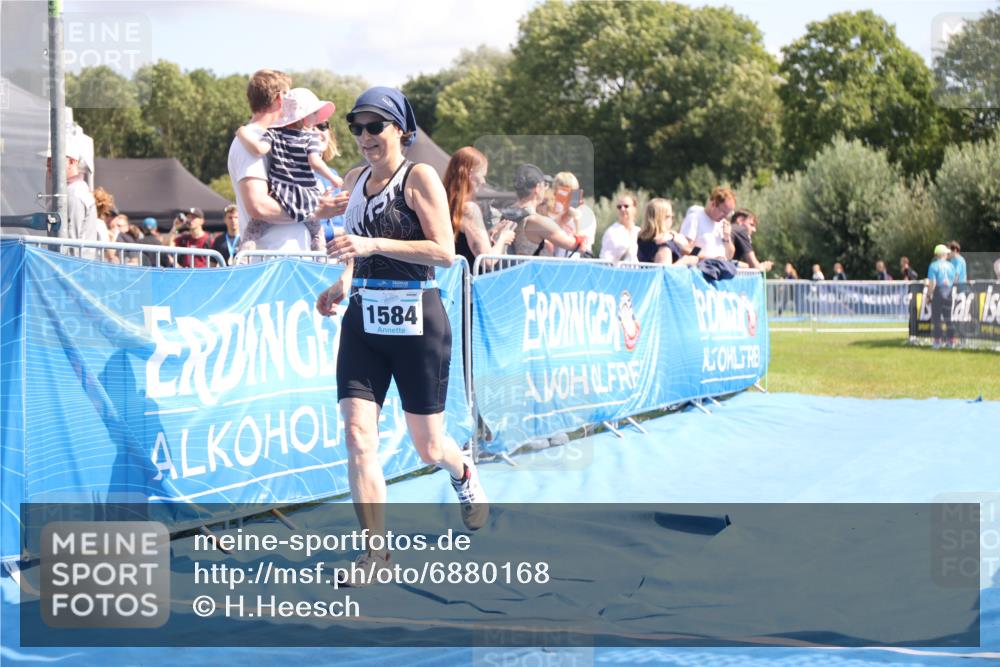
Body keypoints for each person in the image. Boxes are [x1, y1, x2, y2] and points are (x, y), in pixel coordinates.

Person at [314, 87, 487, 584]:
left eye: (376, 126)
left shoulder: (420, 177)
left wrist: (371, 240)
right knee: (356, 435)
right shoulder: (353, 179)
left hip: (418, 319)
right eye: (357, 127)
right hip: (364, 319)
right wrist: (342, 282)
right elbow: (354, 248)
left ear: (401, 131)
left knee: (428, 447)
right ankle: (376, 554)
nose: (365, 137)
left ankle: (463, 472)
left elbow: (443, 252)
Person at [227, 69, 338, 259]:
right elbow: (258, 206)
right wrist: (317, 210)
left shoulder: (272, 136)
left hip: (287, 263)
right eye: (289, 95)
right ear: (280, 98)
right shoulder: (254, 137)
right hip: (273, 264)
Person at [443, 146, 516, 270]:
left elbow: (462, 243)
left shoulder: (444, 203)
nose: (483, 181)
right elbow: (487, 261)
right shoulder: (469, 209)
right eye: (482, 175)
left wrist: (488, 234)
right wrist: (503, 237)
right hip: (467, 283)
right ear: (470, 174)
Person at [504, 164, 590, 257]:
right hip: (537, 270)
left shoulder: (507, 214)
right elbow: (579, 247)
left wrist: (560, 220)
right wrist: (577, 221)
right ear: (537, 188)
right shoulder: (537, 221)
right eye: (544, 185)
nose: (546, 189)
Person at [55, 138, 101, 259]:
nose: (48, 163)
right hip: (75, 266)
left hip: (74, 268)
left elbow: (73, 238)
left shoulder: (75, 193)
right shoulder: (73, 190)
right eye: (48, 159)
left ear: (71, 161)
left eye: (53, 158)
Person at [679, 187, 736, 260]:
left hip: (721, 267)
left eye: (729, 213)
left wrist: (727, 238)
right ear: (713, 204)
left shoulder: (723, 224)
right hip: (701, 268)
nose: (726, 216)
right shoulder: (695, 218)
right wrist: (707, 257)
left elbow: (729, 256)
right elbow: (685, 249)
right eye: (724, 212)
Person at [550, 171, 596, 258]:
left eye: (570, 194)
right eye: (561, 194)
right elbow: (548, 239)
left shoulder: (586, 214)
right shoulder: (550, 215)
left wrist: (576, 221)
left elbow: (583, 246)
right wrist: (562, 218)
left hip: (579, 265)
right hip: (556, 266)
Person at [636, 198, 696, 265]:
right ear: (662, 218)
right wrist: (685, 261)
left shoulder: (641, 238)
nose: (672, 220)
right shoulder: (664, 245)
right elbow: (665, 272)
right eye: (671, 216)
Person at [927, 244, 958, 348]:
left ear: (936, 254)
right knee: (948, 318)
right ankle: (950, 341)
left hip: (938, 292)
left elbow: (933, 283)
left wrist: (928, 295)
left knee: (936, 319)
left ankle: (937, 342)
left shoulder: (933, 266)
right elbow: (954, 280)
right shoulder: (951, 265)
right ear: (943, 254)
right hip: (948, 293)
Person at [599, 192, 640, 262]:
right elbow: (605, 259)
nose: (622, 209)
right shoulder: (611, 232)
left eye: (626, 206)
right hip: (618, 272)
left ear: (634, 208)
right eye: (619, 207)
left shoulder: (639, 231)